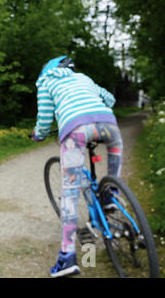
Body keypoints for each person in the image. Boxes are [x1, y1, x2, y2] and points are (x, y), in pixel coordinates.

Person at [31, 55, 123, 277]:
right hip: (109, 124)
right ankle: (111, 193)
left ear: (47, 69)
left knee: (70, 195)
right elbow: (109, 99)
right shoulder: (84, 77)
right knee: (114, 153)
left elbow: (44, 118)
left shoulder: (46, 83)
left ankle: (67, 258)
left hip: (76, 129)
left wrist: (39, 135)